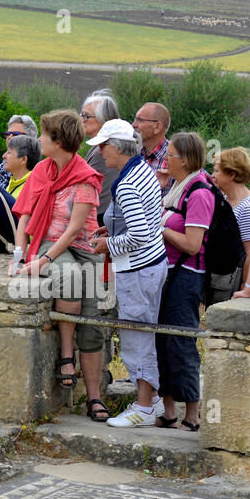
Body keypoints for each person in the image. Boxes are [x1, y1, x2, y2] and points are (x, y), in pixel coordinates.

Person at [12, 109, 106, 417]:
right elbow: (25, 213)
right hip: (49, 242)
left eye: (44, 134)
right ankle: (67, 354)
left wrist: (42, 262)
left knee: (91, 326)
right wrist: (20, 256)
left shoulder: (85, 178)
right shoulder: (41, 170)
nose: (39, 139)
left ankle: (94, 398)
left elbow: (75, 229)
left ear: (59, 140)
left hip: (83, 249)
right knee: (68, 274)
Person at [85, 121, 167, 428]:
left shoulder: (127, 183)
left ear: (118, 148)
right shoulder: (142, 169)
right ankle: (153, 400)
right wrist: (114, 228)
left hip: (137, 270)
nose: (100, 151)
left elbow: (140, 235)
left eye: (104, 145)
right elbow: (147, 220)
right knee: (143, 332)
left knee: (136, 338)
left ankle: (144, 408)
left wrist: (108, 244)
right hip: (151, 265)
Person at [155, 132, 213, 432]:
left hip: (187, 276)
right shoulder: (178, 187)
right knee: (162, 340)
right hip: (170, 273)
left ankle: (192, 413)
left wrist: (160, 229)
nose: (166, 157)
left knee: (181, 342)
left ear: (187, 159)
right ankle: (168, 411)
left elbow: (193, 243)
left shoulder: (200, 192)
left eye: (172, 153)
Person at [212, 146, 250, 293]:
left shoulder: (248, 209)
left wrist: (245, 288)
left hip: (237, 287)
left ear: (232, 174)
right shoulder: (226, 199)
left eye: (217, 170)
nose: (213, 175)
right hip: (224, 282)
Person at [81, 91, 122, 216]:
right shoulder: (100, 147)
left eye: (86, 116)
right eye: (81, 115)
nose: (81, 120)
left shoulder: (104, 151)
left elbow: (98, 198)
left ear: (103, 119)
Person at [134, 101, 172, 194]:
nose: (133, 124)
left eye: (140, 120)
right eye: (135, 119)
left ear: (157, 127)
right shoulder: (133, 154)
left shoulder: (177, 157)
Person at [0, 114, 37, 189]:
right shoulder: (3, 169)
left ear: (30, 138)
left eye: (15, 134)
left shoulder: (34, 173)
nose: (10, 137)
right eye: (8, 134)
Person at [3, 134, 40, 199]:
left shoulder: (31, 190)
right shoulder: (14, 183)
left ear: (23, 159)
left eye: (9, 152)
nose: (3, 156)